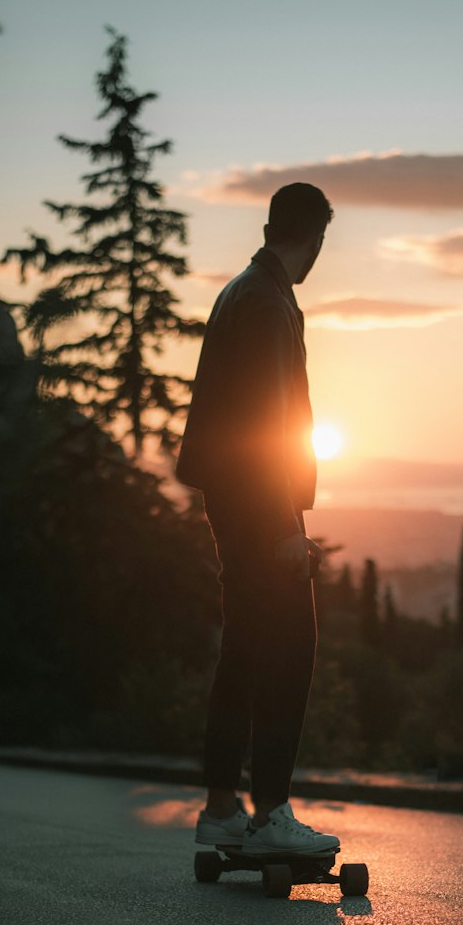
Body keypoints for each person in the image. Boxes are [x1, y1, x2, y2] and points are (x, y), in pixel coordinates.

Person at [176, 182, 339, 856]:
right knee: (292, 645)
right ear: (315, 240)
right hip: (257, 503)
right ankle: (271, 811)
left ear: (270, 224)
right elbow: (271, 424)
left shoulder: (238, 290)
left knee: (244, 646)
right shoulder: (270, 305)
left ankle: (220, 808)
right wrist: (284, 527)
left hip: (229, 496)